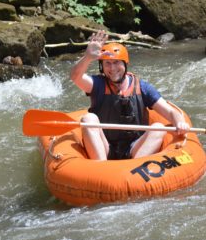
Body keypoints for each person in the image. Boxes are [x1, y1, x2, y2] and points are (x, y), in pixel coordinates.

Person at [70, 30, 190, 160]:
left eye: (116, 62)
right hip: (104, 146)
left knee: (159, 127)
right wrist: (87, 57)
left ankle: (135, 171)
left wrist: (180, 122)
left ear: (125, 64)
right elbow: (76, 77)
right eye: (107, 64)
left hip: (135, 148)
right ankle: (101, 170)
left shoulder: (143, 88)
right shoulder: (97, 84)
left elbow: (171, 113)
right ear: (102, 67)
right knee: (88, 119)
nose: (112, 68)